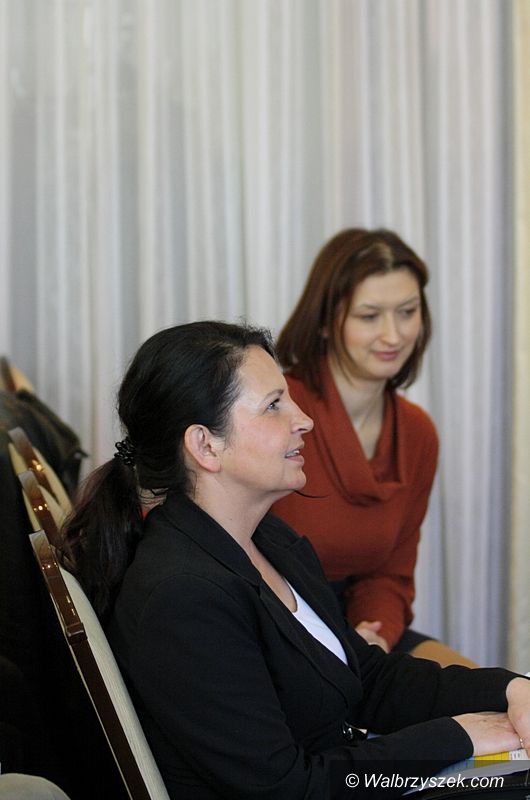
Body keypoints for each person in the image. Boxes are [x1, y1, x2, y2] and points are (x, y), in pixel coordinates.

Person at [60, 321, 530, 800]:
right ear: (205, 445)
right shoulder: (183, 595)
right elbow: (288, 790)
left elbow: (365, 675)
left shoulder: (266, 538)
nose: (304, 419)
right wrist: (456, 738)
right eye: (273, 406)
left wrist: (510, 690)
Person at [273, 228, 474, 667]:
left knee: (504, 694)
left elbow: (390, 575)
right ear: (325, 322)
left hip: (365, 632)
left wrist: (372, 639)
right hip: (276, 633)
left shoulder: (417, 432)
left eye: (407, 312)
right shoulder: (277, 408)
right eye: (369, 316)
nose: (393, 335)